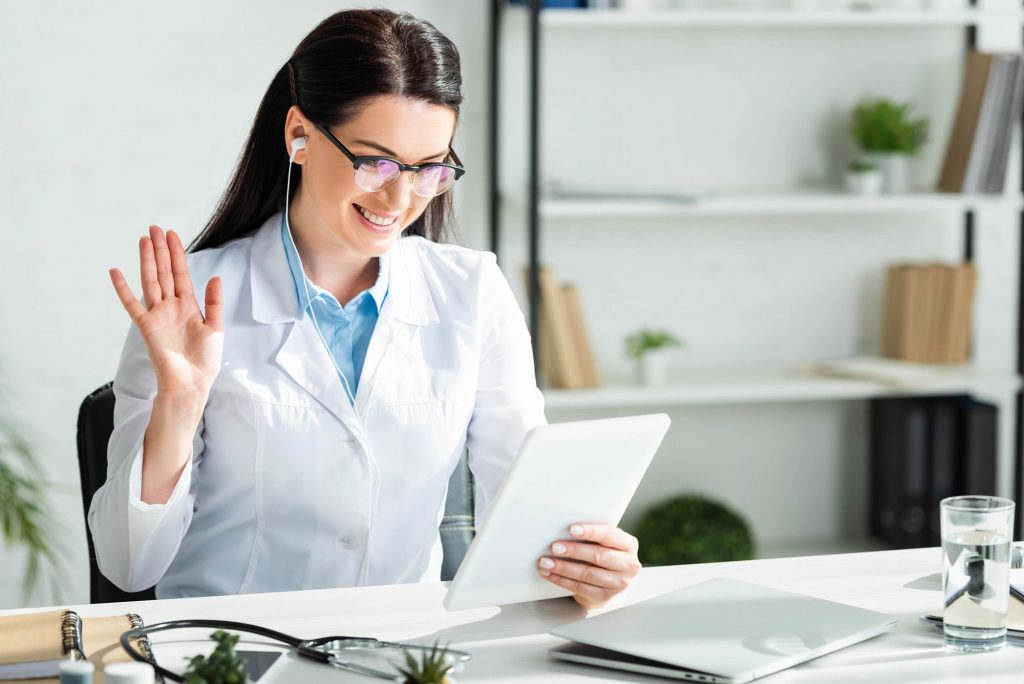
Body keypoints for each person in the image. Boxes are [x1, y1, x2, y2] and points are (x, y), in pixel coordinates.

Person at [89, 8, 640, 608]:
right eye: (375, 162)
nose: (400, 198)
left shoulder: (472, 290)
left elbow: (529, 512)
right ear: (299, 135)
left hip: (400, 642)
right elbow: (128, 565)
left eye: (428, 169)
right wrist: (179, 402)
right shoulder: (190, 301)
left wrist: (589, 562)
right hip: (232, 641)